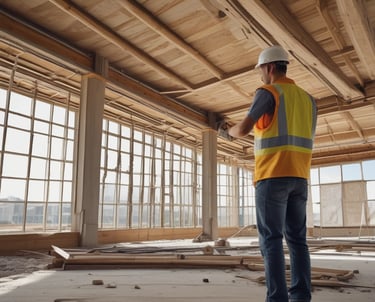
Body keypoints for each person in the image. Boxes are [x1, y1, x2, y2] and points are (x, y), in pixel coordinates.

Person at [226, 45, 317, 302]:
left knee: (272, 240)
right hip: (299, 177)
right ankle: (301, 296)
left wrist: (227, 132)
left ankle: (277, 299)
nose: (261, 76)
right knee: (298, 240)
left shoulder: (268, 92)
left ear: (268, 68)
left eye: (261, 71)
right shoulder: (309, 100)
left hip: (273, 176)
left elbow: (243, 129)